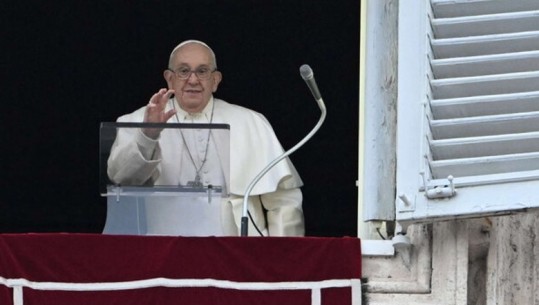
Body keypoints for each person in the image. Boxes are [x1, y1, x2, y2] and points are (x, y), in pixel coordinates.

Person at [107, 40, 305, 236]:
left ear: (216, 80)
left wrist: (281, 260)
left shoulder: (251, 122)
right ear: (169, 79)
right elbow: (122, 180)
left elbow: (284, 202)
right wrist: (148, 135)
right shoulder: (136, 121)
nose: (193, 80)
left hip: (240, 256)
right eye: (183, 71)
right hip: (166, 254)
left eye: (202, 71)